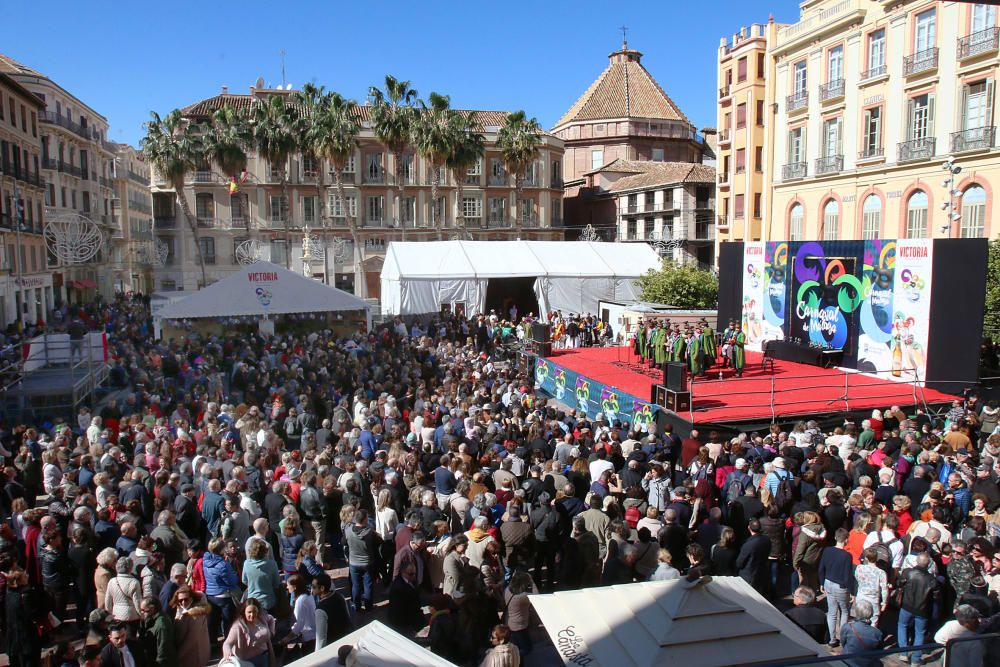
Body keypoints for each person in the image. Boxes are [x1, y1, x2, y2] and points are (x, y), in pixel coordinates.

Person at [896, 552, 940, 665]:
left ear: (917, 561)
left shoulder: (908, 573)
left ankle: (903, 653)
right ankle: (915, 659)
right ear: (928, 564)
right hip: (923, 609)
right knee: (920, 633)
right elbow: (936, 596)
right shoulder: (932, 580)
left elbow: (899, 583)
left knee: (902, 626)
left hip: (907, 605)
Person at [818, 528, 854, 647]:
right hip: (841, 586)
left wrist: (822, 582)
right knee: (844, 611)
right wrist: (851, 591)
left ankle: (832, 639)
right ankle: (843, 639)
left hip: (828, 582)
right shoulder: (847, 556)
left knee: (832, 612)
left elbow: (821, 567)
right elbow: (847, 575)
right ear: (846, 539)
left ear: (835, 537)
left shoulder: (827, 550)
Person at [222, 598, 276, 667]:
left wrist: (271, 632)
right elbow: (227, 643)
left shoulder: (261, 618)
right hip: (247, 661)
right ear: (244, 611)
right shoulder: (238, 627)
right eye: (249, 612)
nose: (252, 614)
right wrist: (228, 652)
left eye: (254, 611)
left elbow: (271, 619)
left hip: (264, 656)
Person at [5, 566, 41, 667]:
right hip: (25, 634)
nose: (27, 577)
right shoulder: (26, 594)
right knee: (30, 659)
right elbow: (31, 613)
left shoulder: (9, 592)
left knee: (15, 659)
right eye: (25, 576)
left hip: (12, 633)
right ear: (19, 581)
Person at [170, 586, 211, 667]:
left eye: (186, 599)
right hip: (186, 655)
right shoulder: (181, 608)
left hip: (195, 655)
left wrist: (177, 656)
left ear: (192, 598)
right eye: (180, 600)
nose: (183, 602)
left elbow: (191, 639)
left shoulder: (196, 614)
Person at [345, 509, 376, 612]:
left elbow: (344, 542)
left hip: (354, 562)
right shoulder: (370, 532)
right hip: (367, 562)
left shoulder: (348, 530)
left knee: (356, 585)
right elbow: (376, 544)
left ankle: (356, 605)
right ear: (365, 519)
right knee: (368, 585)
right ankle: (368, 606)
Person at [312, 573, 352, 651]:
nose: (311, 589)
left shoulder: (320, 610)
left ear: (322, 588)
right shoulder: (340, 596)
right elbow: (348, 618)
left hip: (333, 645)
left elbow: (321, 638)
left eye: (313, 587)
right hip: (346, 638)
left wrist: (318, 655)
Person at [839, 600, 883, 667]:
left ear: (857, 612)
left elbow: (843, 643)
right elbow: (879, 651)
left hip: (847, 660)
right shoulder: (877, 633)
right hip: (866, 663)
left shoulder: (847, 627)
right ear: (871, 613)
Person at [280, 573, 316, 656]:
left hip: (309, 637)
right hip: (313, 633)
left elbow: (299, 624)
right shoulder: (308, 595)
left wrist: (287, 638)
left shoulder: (300, 601)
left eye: (289, 585)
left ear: (295, 587)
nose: (287, 587)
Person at [242, 538, 281, 613]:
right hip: (268, 602)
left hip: (252, 603)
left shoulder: (246, 564)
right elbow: (276, 583)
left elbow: (244, 581)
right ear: (265, 551)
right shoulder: (272, 564)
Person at [138, 597, 175, 667]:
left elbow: (163, 650)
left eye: (143, 610)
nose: (141, 612)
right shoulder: (150, 619)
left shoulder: (162, 625)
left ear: (152, 609)